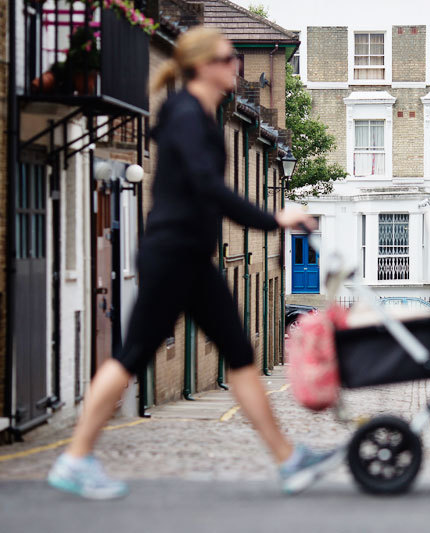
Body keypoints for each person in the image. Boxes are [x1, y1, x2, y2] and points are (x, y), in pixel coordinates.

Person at [47, 27, 341, 499]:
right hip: (172, 255)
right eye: (228, 59)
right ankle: (75, 458)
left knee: (240, 355)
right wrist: (274, 217)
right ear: (203, 64)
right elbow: (210, 188)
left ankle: (288, 459)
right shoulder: (186, 113)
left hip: (191, 257)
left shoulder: (202, 115)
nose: (237, 66)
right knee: (133, 354)